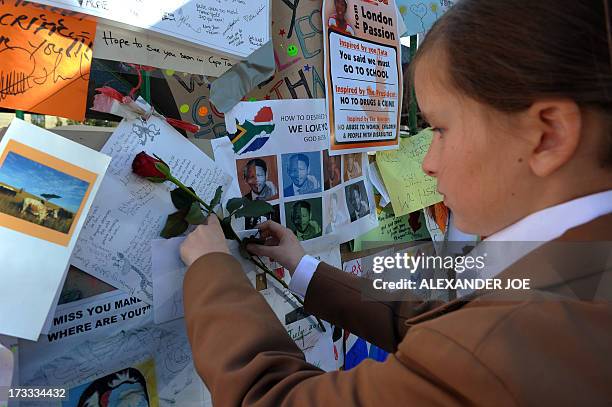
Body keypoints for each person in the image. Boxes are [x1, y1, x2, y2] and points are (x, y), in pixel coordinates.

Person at [180, 1, 612, 404]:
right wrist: (302, 265)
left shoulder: (512, 343)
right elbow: (438, 320)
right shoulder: (582, 264)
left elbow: (273, 397)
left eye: (441, 129)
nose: (428, 161)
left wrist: (212, 269)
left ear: (548, 135)